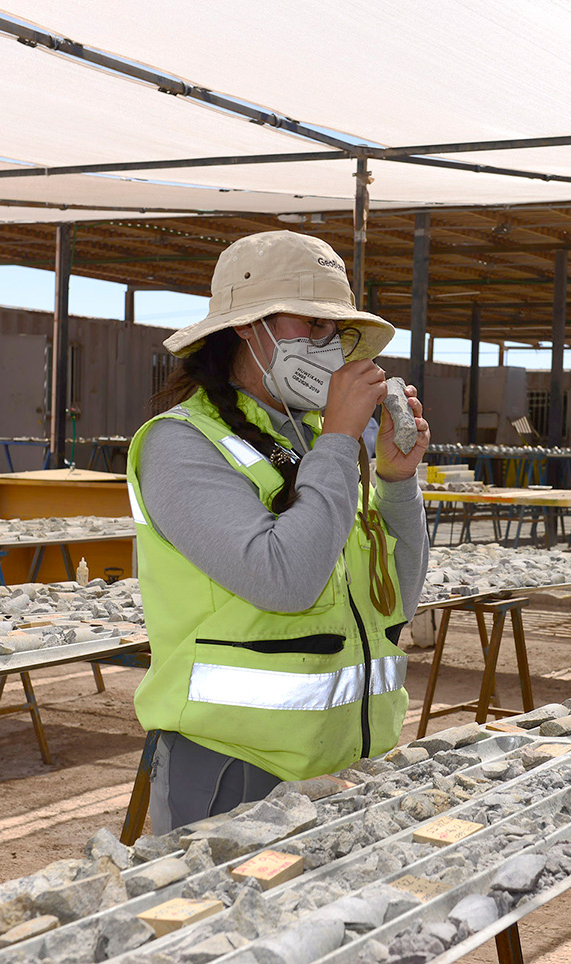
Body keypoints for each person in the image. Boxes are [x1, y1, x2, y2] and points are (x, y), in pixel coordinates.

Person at [129, 230, 431, 834]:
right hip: (235, 767)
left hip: (346, 758)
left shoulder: (318, 442)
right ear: (247, 326)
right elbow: (285, 581)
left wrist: (397, 483)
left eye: (334, 331)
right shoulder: (180, 443)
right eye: (311, 324)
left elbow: (397, 597)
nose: (327, 345)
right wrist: (340, 440)